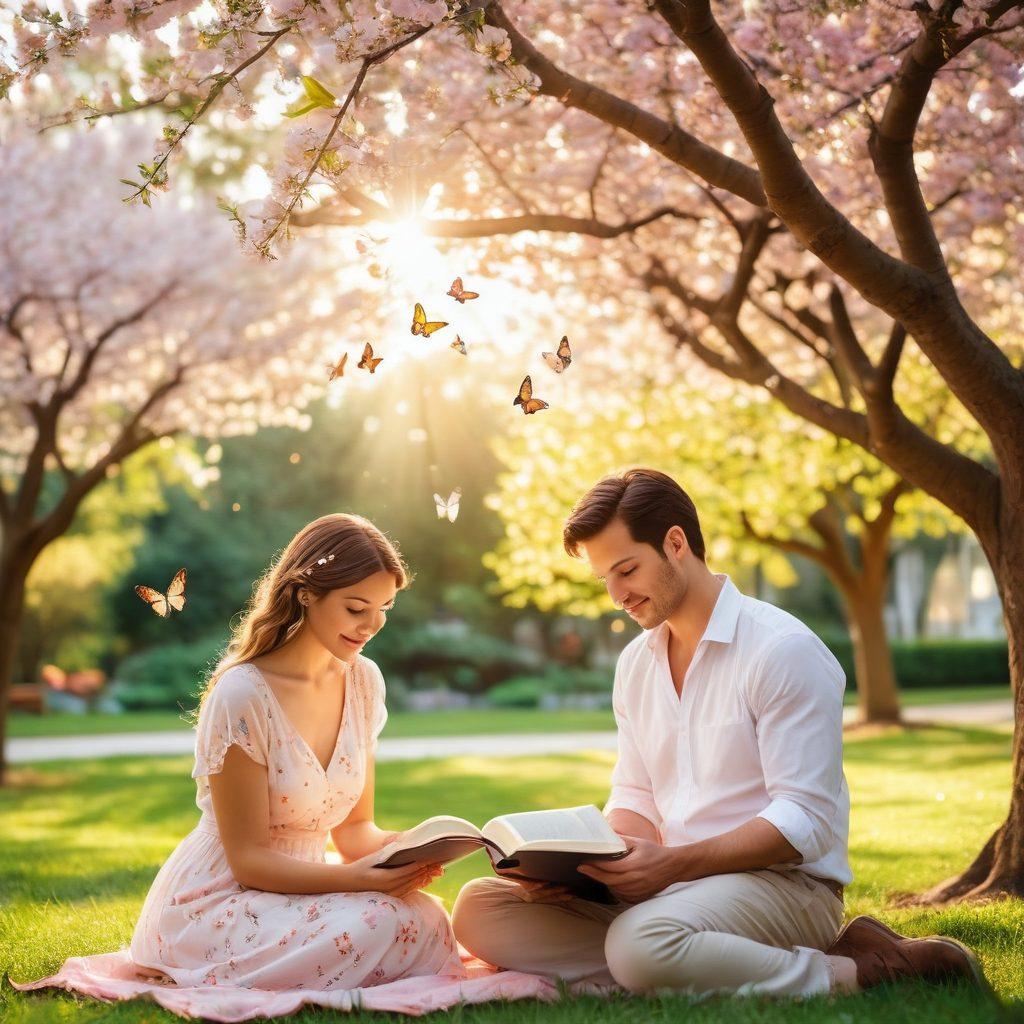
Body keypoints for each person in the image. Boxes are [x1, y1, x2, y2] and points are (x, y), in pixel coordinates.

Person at [453, 468, 985, 998]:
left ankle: (860, 970)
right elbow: (635, 793)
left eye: (627, 570)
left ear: (676, 543)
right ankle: (683, 967)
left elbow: (805, 820)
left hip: (784, 886)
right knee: (481, 909)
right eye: (606, 579)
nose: (617, 595)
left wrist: (673, 865)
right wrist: (599, 864)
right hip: (673, 887)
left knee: (640, 944)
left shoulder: (781, 650)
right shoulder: (636, 664)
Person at [60, 514, 461, 1005]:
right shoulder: (242, 694)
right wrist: (356, 881)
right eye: (357, 607)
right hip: (219, 901)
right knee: (379, 923)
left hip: (305, 890)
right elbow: (248, 861)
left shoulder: (363, 682)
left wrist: (418, 848)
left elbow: (356, 832)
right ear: (306, 593)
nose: (372, 624)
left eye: (385, 608)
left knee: (426, 916)